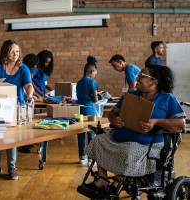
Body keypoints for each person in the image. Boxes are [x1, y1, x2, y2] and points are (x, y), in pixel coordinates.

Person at [80, 65, 185, 195]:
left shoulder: (167, 98)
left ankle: (118, 182)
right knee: (98, 140)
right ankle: (102, 179)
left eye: (142, 75)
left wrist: (156, 122)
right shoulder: (130, 95)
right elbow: (112, 114)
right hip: (120, 138)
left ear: (154, 81)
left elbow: (181, 123)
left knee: (131, 150)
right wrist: (115, 120)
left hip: (148, 143)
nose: (137, 77)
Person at [0, 39, 34, 180]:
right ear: (5, 51)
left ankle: (11, 167)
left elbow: (28, 85)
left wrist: (29, 97)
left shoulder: (23, 68)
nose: (15, 54)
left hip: (15, 107)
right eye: (12, 51)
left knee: (11, 138)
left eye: (17, 51)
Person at [76, 56, 99, 164]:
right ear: (91, 71)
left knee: (81, 133)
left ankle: (82, 156)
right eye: (95, 74)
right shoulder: (92, 82)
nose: (94, 76)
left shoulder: (79, 82)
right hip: (89, 109)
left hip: (79, 109)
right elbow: (95, 99)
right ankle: (91, 158)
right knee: (91, 134)